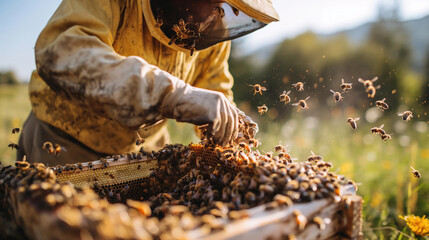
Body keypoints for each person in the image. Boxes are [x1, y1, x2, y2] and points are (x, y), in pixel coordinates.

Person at [17, 0, 279, 166]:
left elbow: (216, 93)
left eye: (230, 6)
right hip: (63, 144)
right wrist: (169, 94)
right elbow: (63, 53)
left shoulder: (210, 39)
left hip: (145, 154)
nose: (218, 14)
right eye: (215, 0)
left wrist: (234, 134)